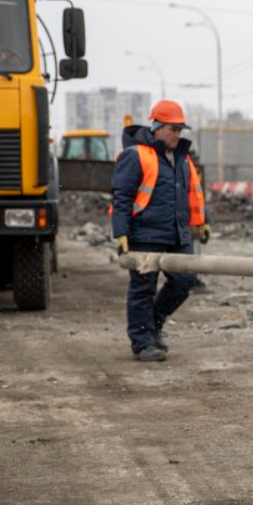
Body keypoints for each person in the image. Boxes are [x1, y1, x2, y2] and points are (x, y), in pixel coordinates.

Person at [111, 99, 211, 362]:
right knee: (143, 289)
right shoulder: (136, 155)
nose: (177, 134)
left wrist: (202, 221)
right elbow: (121, 196)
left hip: (177, 234)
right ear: (156, 127)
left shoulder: (182, 159)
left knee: (184, 280)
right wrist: (121, 232)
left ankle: (153, 324)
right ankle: (142, 343)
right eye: (172, 129)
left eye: (180, 129)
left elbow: (195, 193)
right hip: (144, 234)